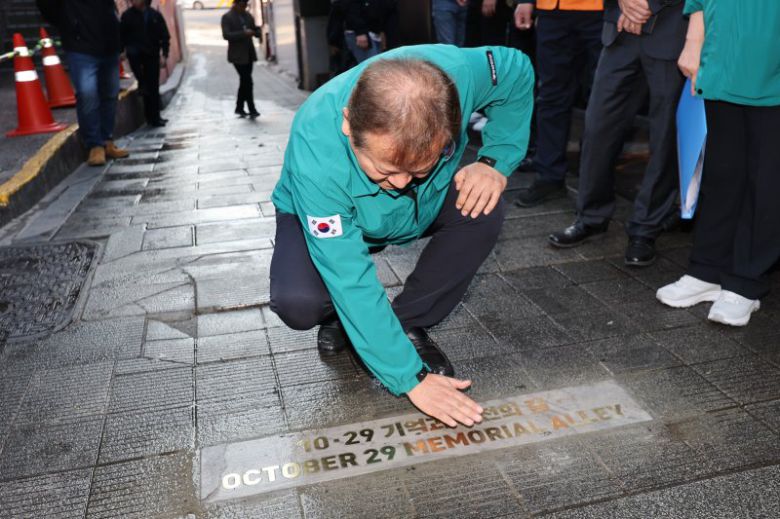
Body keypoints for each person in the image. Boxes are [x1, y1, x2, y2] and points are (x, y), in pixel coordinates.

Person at [270, 45, 534, 427]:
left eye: (417, 168)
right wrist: (410, 378)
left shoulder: (458, 76)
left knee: (483, 207)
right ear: (348, 123)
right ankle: (341, 318)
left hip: (425, 204)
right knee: (300, 302)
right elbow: (350, 276)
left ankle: (406, 320)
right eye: (385, 169)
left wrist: (496, 160)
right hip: (329, 211)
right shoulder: (318, 152)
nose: (399, 184)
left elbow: (516, 69)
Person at [657, 1, 780, 326]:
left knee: (767, 178)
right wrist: (693, 42)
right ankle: (707, 269)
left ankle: (745, 281)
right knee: (722, 172)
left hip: (770, 49)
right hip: (722, 48)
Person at [547, 0, 687, 267]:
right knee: (598, 126)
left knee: (665, 138)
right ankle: (590, 217)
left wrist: (647, 4)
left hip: (671, 32)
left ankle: (645, 228)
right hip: (620, 30)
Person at [513, 0, 604, 207]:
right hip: (551, 11)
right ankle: (549, 176)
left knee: (601, 98)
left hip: (601, 11)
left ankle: (595, 179)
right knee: (550, 95)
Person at [36, 0, 130, 166]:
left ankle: (107, 140)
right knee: (87, 94)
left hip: (109, 44)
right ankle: (94, 145)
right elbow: (47, 7)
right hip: (81, 47)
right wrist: (70, 25)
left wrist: (120, 41)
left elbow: (111, 9)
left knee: (110, 94)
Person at [120, 0, 170, 128]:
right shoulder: (127, 16)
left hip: (152, 55)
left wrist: (164, 54)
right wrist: (122, 51)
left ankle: (155, 117)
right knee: (144, 84)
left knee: (153, 86)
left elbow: (164, 36)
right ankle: (149, 116)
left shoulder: (154, 15)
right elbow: (121, 36)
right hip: (136, 57)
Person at [221, 0, 262, 118]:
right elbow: (226, 35)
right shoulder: (227, 17)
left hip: (248, 53)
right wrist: (243, 33)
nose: (244, 7)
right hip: (237, 55)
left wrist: (256, 32)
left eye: (245, 5)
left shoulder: (247, 15)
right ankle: (251, 108)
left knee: (245, 81)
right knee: (247, 81)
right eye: (242, 5)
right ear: (236, 4)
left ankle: (239, 107)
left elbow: (254, 29)